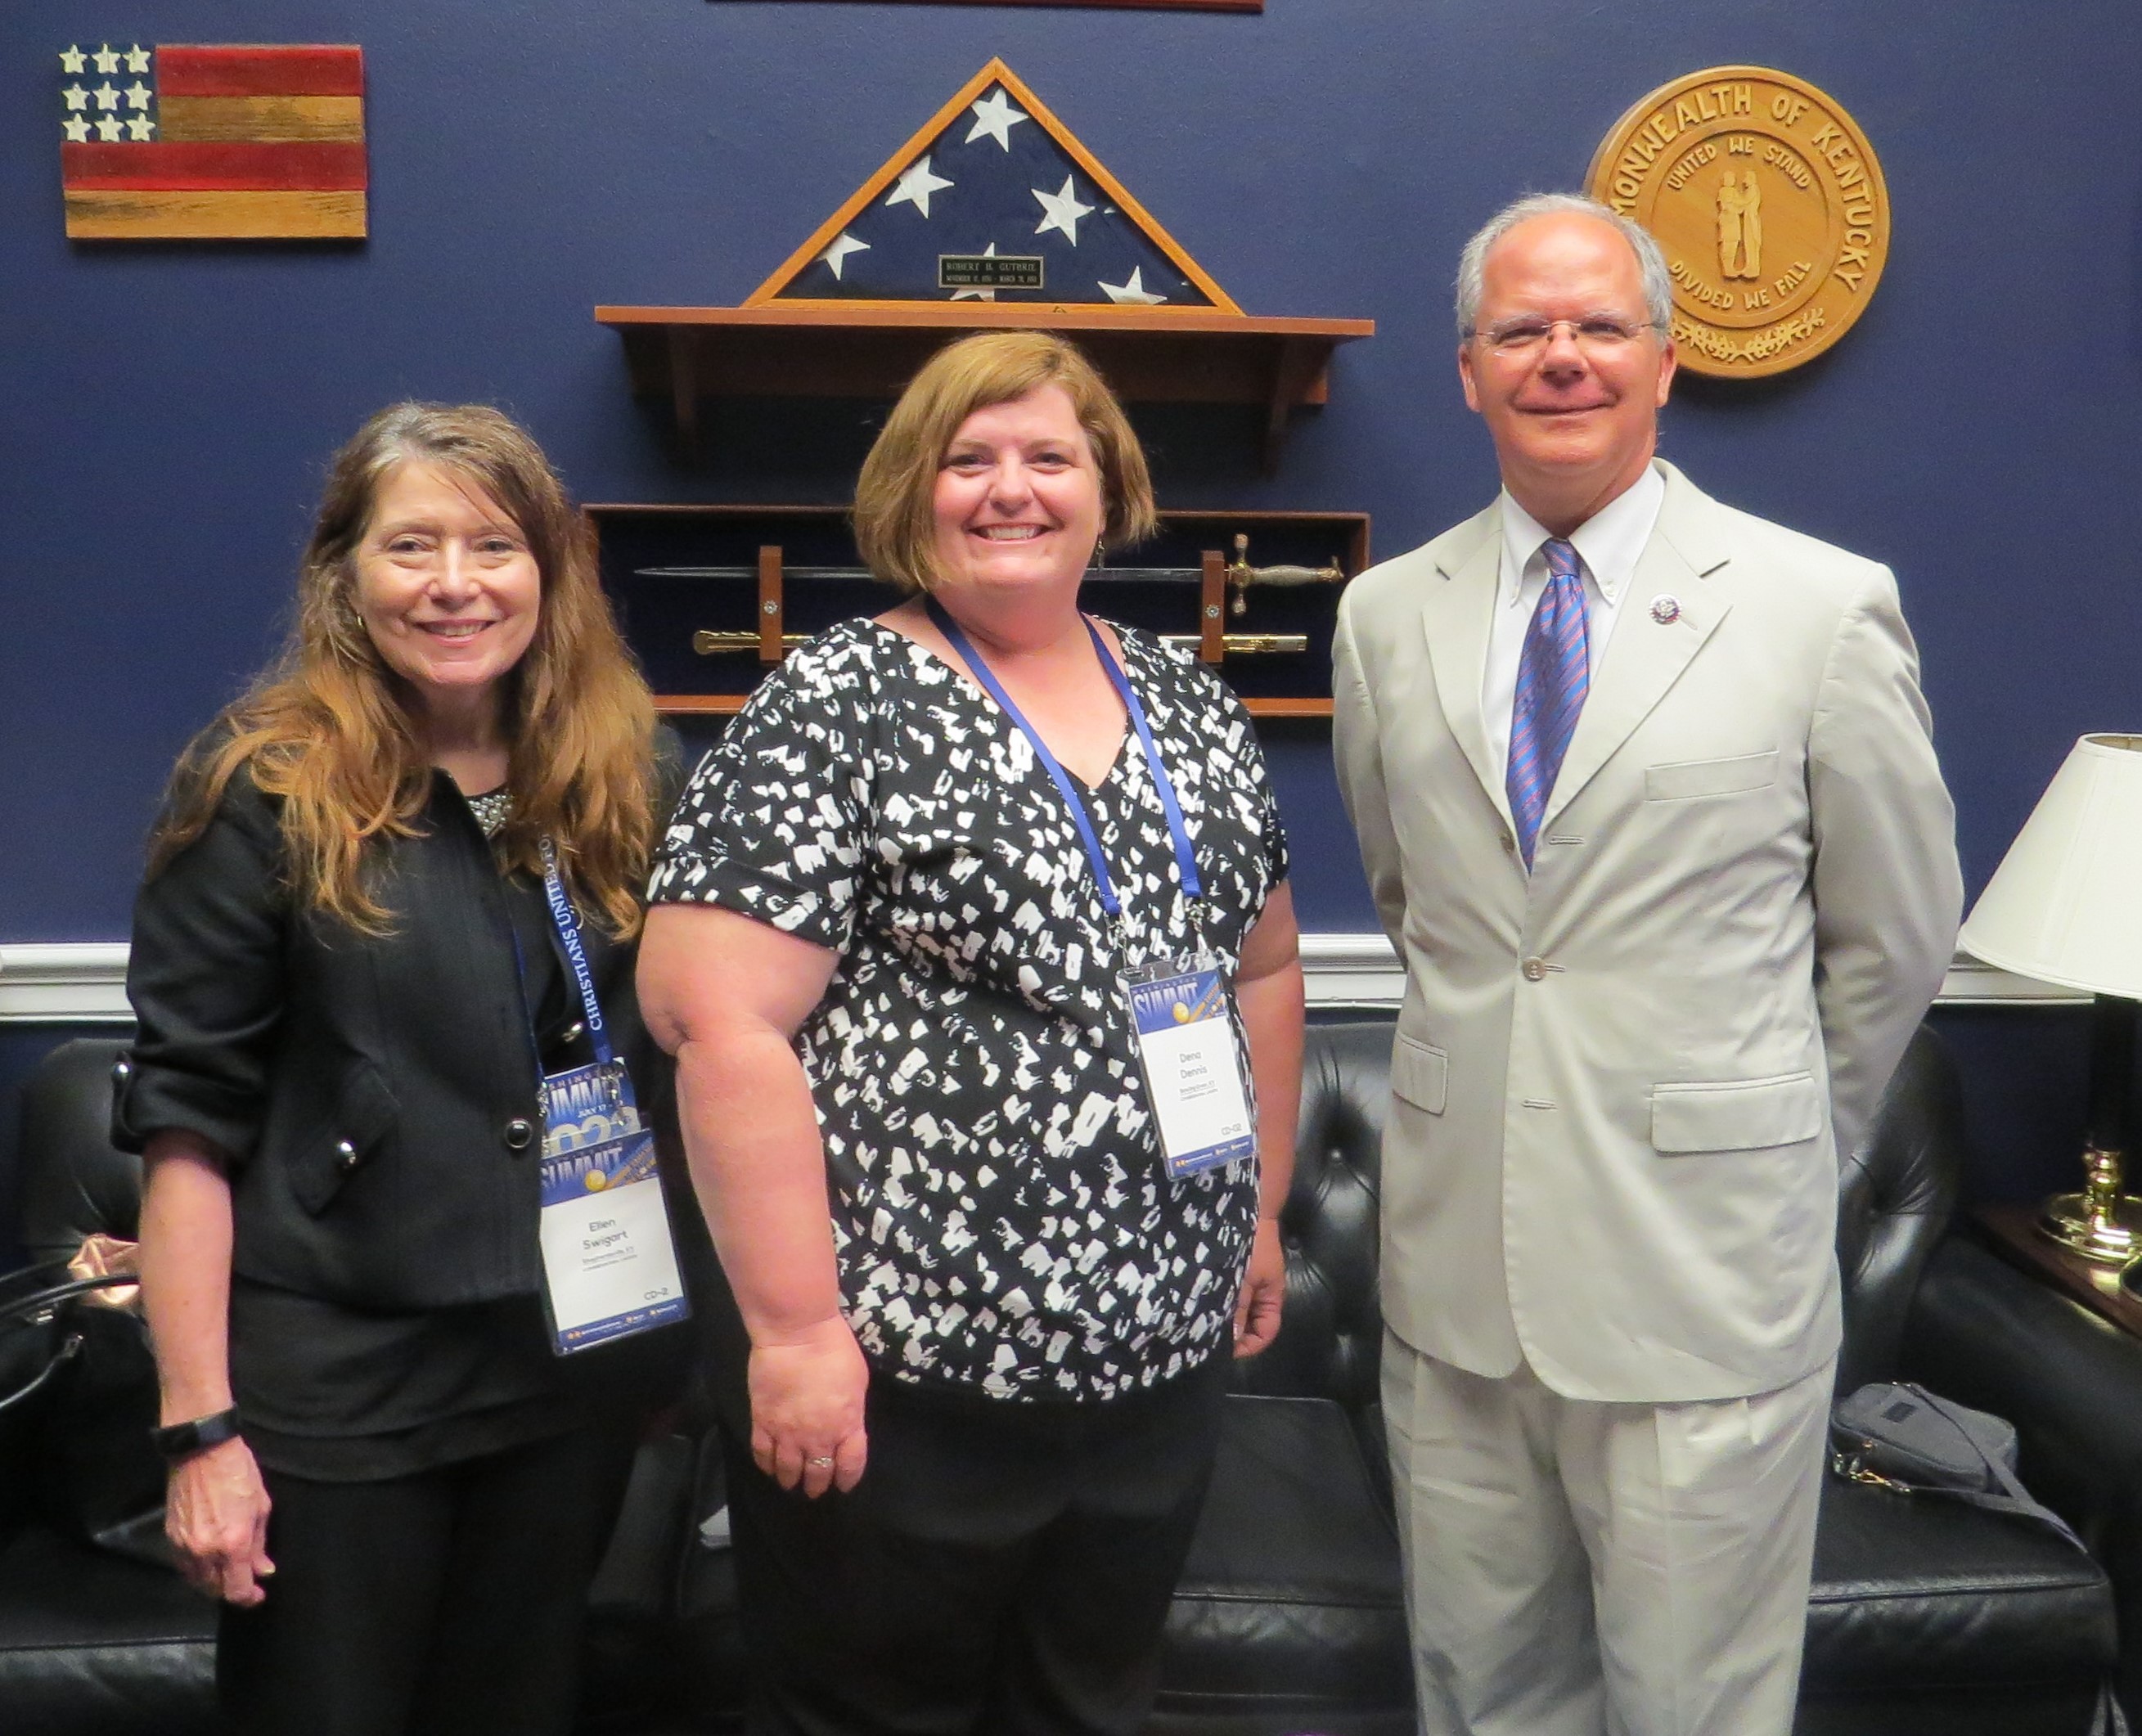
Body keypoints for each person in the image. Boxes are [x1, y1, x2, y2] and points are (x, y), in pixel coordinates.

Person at [1330, 193, 1961, 1736]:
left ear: (1664, 360)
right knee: (1481, 1700)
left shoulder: (1816, 606)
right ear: (1466, 369)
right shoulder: (1379, 617)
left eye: (1599, 326)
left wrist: (1760, 1131)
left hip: (1703, 1283)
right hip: (1455, 1282)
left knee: (1694, 1713)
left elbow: (1891, 935)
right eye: (1521, 330)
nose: (1563, 358)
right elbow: (1421, 905)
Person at [637, 329, 1303, 1735]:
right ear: (911, 492)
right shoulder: (832, 701)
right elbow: (715, 1018)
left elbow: (1260, 966)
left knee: (1087, 1703)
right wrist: (797, 1333)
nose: (1012, 489)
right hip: (902, 1371)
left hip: (1156, 1358)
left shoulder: (1187, 696)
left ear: (1106, 487)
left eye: (1049, 456)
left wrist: (1258, 1211)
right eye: (969, 459)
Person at [115, 403, 693, 1736]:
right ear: (344, 575)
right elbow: (187, 1127)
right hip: (343, 1381)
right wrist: (199, 1434)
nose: (452, 585)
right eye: (410, 545)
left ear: (548, 570)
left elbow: (681, 1057)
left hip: (566, 1373)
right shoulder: (263, 784)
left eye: (492, 546)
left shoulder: (626, 772)